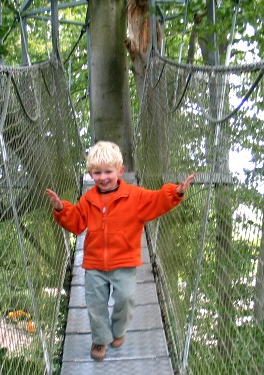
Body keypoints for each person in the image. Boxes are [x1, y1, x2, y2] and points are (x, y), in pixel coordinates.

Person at [46, 141, 196, 361]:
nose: (103, 177)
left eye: (108, 171)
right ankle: (99, 338)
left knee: (125, 299)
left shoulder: (134, 196)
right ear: (90, 174)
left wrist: (176, 192)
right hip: (95, 264)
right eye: (97, 173)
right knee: (95, 305)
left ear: (120, 171)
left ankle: (118, 331)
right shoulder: (88, 199)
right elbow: (77, 223)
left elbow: (156, 201)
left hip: (124, 262)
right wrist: (61, 208)